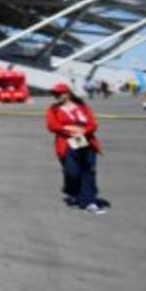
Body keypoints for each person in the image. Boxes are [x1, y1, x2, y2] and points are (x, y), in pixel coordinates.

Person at [45, 82, 105, 213]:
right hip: (67, 141)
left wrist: (83, 131)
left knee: (87, 170)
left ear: (67, 94)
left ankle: (88, 201)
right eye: (55, 94)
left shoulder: (82, 106)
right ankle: (73, 193)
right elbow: (52, 126)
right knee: (71, 172)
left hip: (84, 139)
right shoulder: (54, 109)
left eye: (59, 93)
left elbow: (92, 123)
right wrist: (68, 129)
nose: (56, 96)